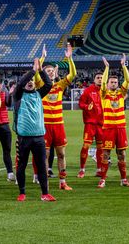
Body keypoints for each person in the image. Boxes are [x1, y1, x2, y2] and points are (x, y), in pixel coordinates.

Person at [12, 58, 56, 201]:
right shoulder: (18, 95)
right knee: (22, 165)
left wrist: (41, 70)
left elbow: (49, 83)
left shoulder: (38, 94)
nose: (30, 82)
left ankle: (45, 193)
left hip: (38, 137)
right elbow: (20, 83)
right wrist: (32, 71)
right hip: (23, 138)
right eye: (27, 81)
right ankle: (22, 193)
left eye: (32, 81)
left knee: (42, 166)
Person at [37, 43, 77, 190]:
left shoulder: (59, 85)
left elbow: (72, 75)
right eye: (47, 71)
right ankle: (45, 184)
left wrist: (70, 58)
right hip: (45, 125)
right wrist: (42, 58)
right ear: (43, 73)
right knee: (45, 155)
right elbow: (36, 72)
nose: (51, 72)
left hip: (59, 125)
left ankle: (62, 182)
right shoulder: (40, 85)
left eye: (52, 70)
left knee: (61, 154)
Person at [98, 54, 129, 188]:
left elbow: (128, 79)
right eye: (111, 82)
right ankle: (102, 180)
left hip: (120, 128)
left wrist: (123, 66)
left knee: (122, 154)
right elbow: (102, 83)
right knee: (106, 154)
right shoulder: (104, 94)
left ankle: (124, 180)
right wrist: (106, 68)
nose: (114, 84)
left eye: (115, 82)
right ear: (107, 84)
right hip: (108, 128)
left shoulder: (121, 94)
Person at [77, 70, 104, 178]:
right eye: (98, 77)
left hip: (102, 123)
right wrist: (86, 107)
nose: (100, 79)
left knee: (100, 147)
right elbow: (80, 103)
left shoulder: (105, 91)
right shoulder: (88, 90)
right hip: (90, 123)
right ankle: (82, 169)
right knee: (86, 145)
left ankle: (99, 170)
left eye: (102, 78)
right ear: (94, 79)